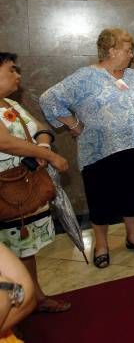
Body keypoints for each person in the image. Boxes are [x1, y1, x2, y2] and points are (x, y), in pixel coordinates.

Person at [40, 29, 134, 269]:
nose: (131, 55)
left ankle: (132, 236)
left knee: (131, 195)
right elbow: (49, 99)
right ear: (111, 51)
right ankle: (101, 245)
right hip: (99, 152)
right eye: (127, 50)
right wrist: (73, 124)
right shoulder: (85, 77)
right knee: (99, 199)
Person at [0, 53, 71, 314]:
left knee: (24, 247)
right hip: (3, 191)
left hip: (22, 189)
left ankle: (32, 297)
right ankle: (12, 305)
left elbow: (41, 127)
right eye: (11, 70)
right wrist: (48, 155)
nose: (18, 75)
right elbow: (4, 141)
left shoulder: (10, 103)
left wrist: (41, 144)